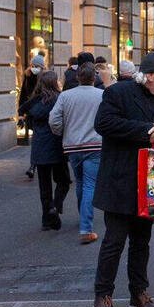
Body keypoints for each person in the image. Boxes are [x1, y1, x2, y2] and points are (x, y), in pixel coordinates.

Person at [91, 52, 154, 307]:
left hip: (150, 186)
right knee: (114, 242)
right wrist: (146, 130)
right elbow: (104, 124)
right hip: (120, 182)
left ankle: (138, 293)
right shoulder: (118, 93)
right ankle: (102, 296)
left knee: (142, 243)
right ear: (150, 76)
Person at [49, 62, 104, 244]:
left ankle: (84, 218)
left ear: (78, 78)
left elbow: (54, 120)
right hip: (95, 145)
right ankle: (86, 228)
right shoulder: (101, 95)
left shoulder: (65, 96)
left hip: (73, 146)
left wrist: (63, 132)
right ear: (94, 78)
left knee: (81, 182)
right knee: (89, 185)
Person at [18, 70, 70, 231]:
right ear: (54, 83)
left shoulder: (35, 101)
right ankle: (55, 207)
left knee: (44, 185)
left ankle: (46, 220)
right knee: (63, 181)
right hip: (56, 146)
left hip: (40, 147)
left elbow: (22, 109)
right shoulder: (59, 99)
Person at [19, 54, 46, 179]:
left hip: (42, 114)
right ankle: (34, 166)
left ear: (42, 67)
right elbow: (23, 95)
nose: (34, 68)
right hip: (32, 113)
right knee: (36, 141)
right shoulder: (28, 76)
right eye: (33, 65)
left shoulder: (45, 78)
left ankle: (34, 166)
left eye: (37, 66)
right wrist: (20, 115)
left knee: (37, 141)